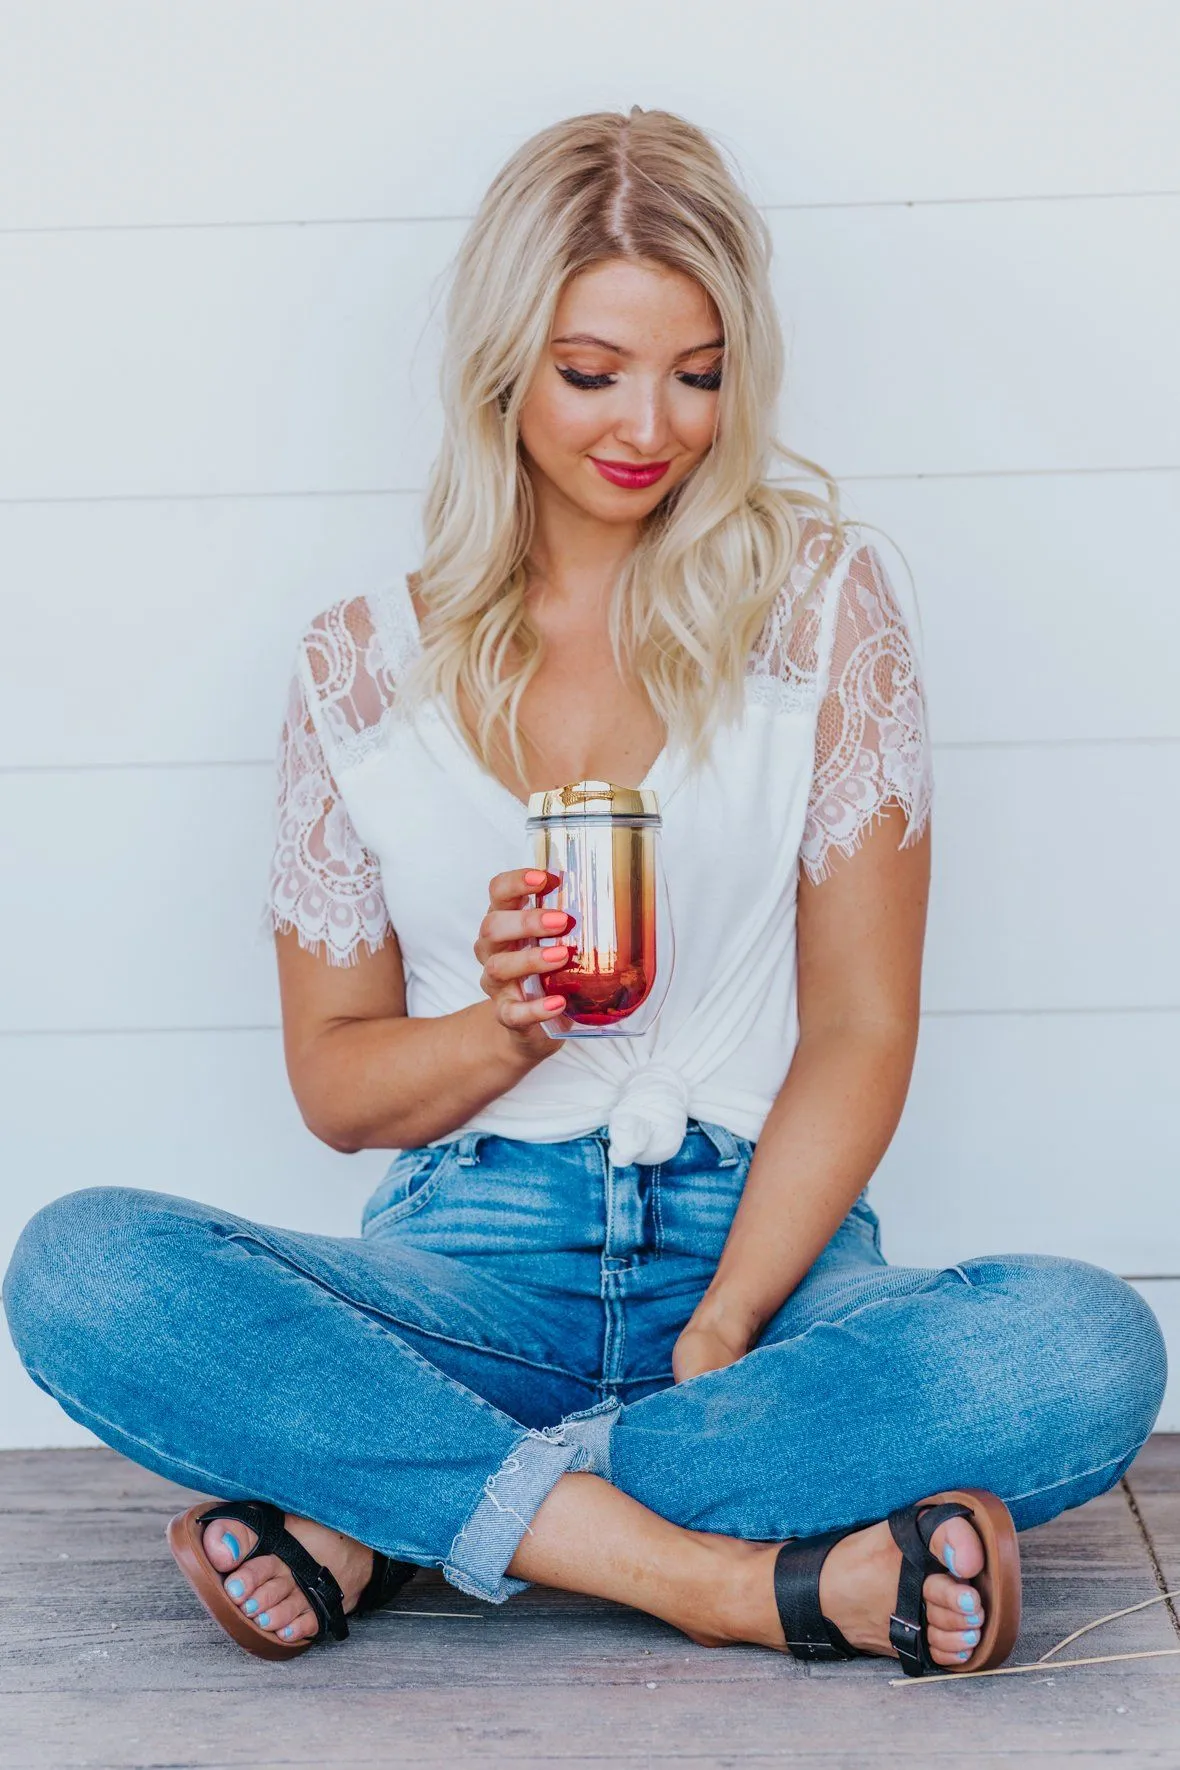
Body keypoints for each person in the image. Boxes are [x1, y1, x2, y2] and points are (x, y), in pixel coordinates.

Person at [4, 107, 1165, 1677]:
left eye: (698, 372)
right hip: (471, 1258)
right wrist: (499, 1028)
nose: (653, 423)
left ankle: (389, 1512)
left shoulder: (821, 603)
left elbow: (863, 1024)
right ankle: (734, 1583)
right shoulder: (363, 664)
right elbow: (339, 1087)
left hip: (768, 1257)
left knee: (1080, 1347)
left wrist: (723, 1322)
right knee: (81, 1263)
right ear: (502, 365)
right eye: (592, 369)